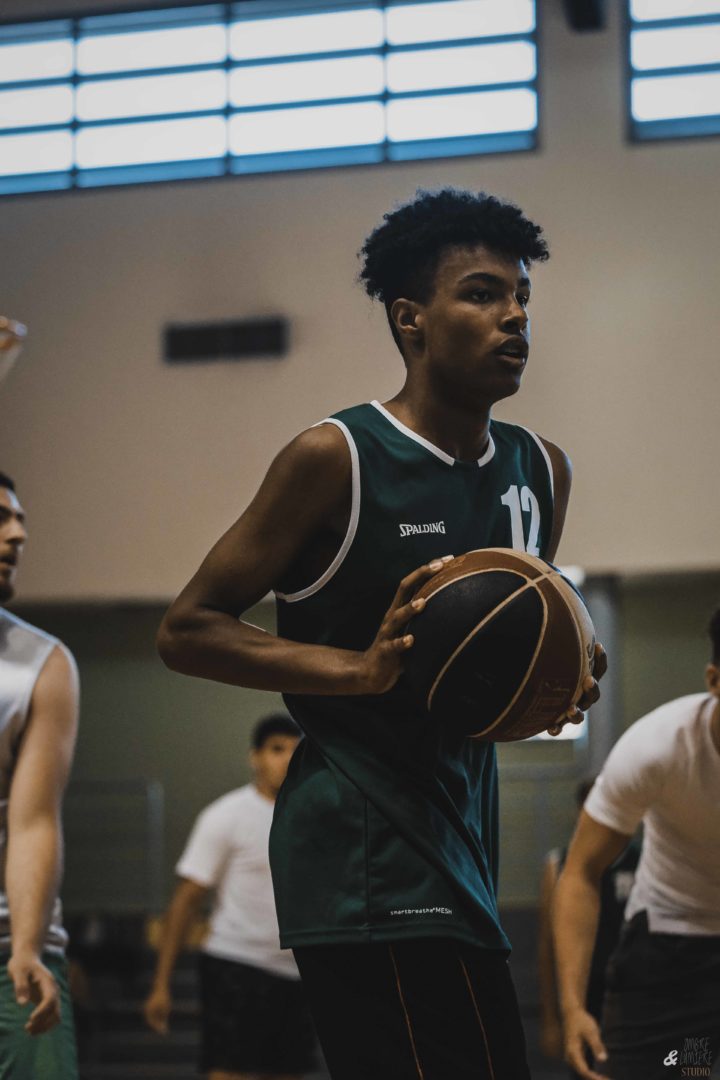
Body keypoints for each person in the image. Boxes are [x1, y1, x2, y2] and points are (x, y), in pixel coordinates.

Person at [158, 188, 604, 1080]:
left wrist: (557, 680)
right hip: (360, 844)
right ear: (411, 319)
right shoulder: (336, 456)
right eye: (482, 293)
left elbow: (494, 664)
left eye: (522, 295)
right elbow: (187, 630)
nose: (516, 314)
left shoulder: (541, 469)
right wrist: (357, 669)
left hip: (461, 833)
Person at [553, 608, 720, 1080]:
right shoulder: (659, 748)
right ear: (714, 680)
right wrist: (572, 1009)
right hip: (672, 953)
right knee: (685, 1068)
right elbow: (581, 872)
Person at [143, 712, 316, 1080]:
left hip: (297, 972)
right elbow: (186, 900)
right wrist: (161, 983)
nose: (287, 759)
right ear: (255, 757)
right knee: (227, 1072)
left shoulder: (314, 817)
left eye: (295, 750)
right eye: (276, 749)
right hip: (236, 964)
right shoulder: (225, 815)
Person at [0, 470, 80, 1078]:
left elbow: (32, 823)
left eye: (19, 520)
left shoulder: (40, 664)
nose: (17, 534)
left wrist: (27, 946)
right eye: (1, 518)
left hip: (11, 956)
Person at [538, 779, 639, 1074]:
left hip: (633, 994)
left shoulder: (644, 861)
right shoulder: (559, 864)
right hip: (585, 995)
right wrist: (552, 1018)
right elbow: (547, 946)